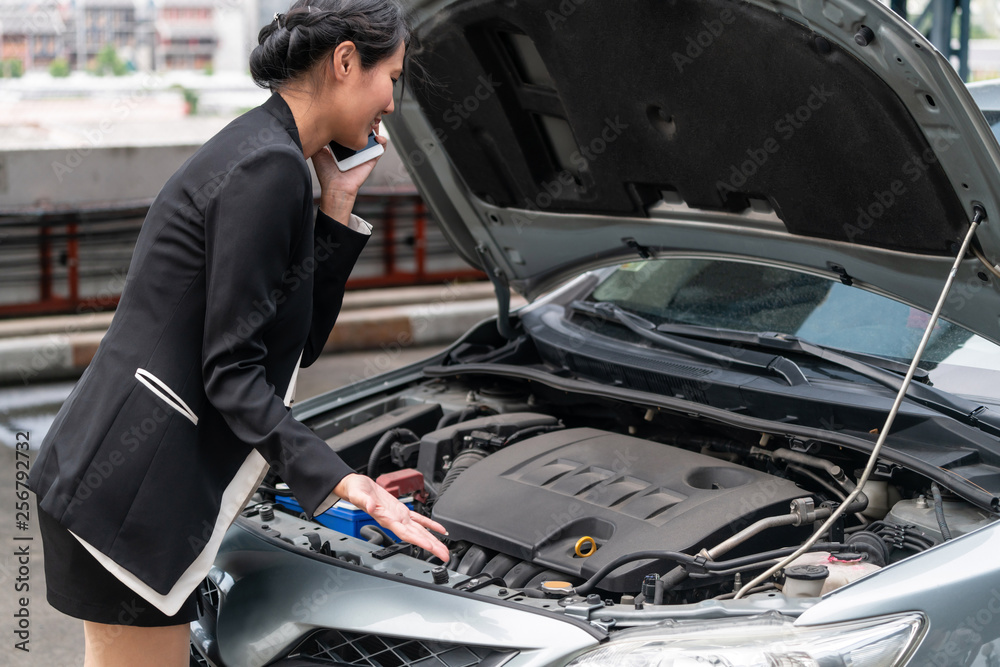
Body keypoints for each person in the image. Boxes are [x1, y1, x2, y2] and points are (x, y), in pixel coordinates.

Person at [27, 1, 449, 664]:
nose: (392, 103)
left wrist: (335, 207)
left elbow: (293, 346)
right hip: (131, 497)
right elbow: (231, 372)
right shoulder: (268, 168)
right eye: (390, 76)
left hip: (120, 485)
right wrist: (344, 480)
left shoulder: (272, 153)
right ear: (345, 61)